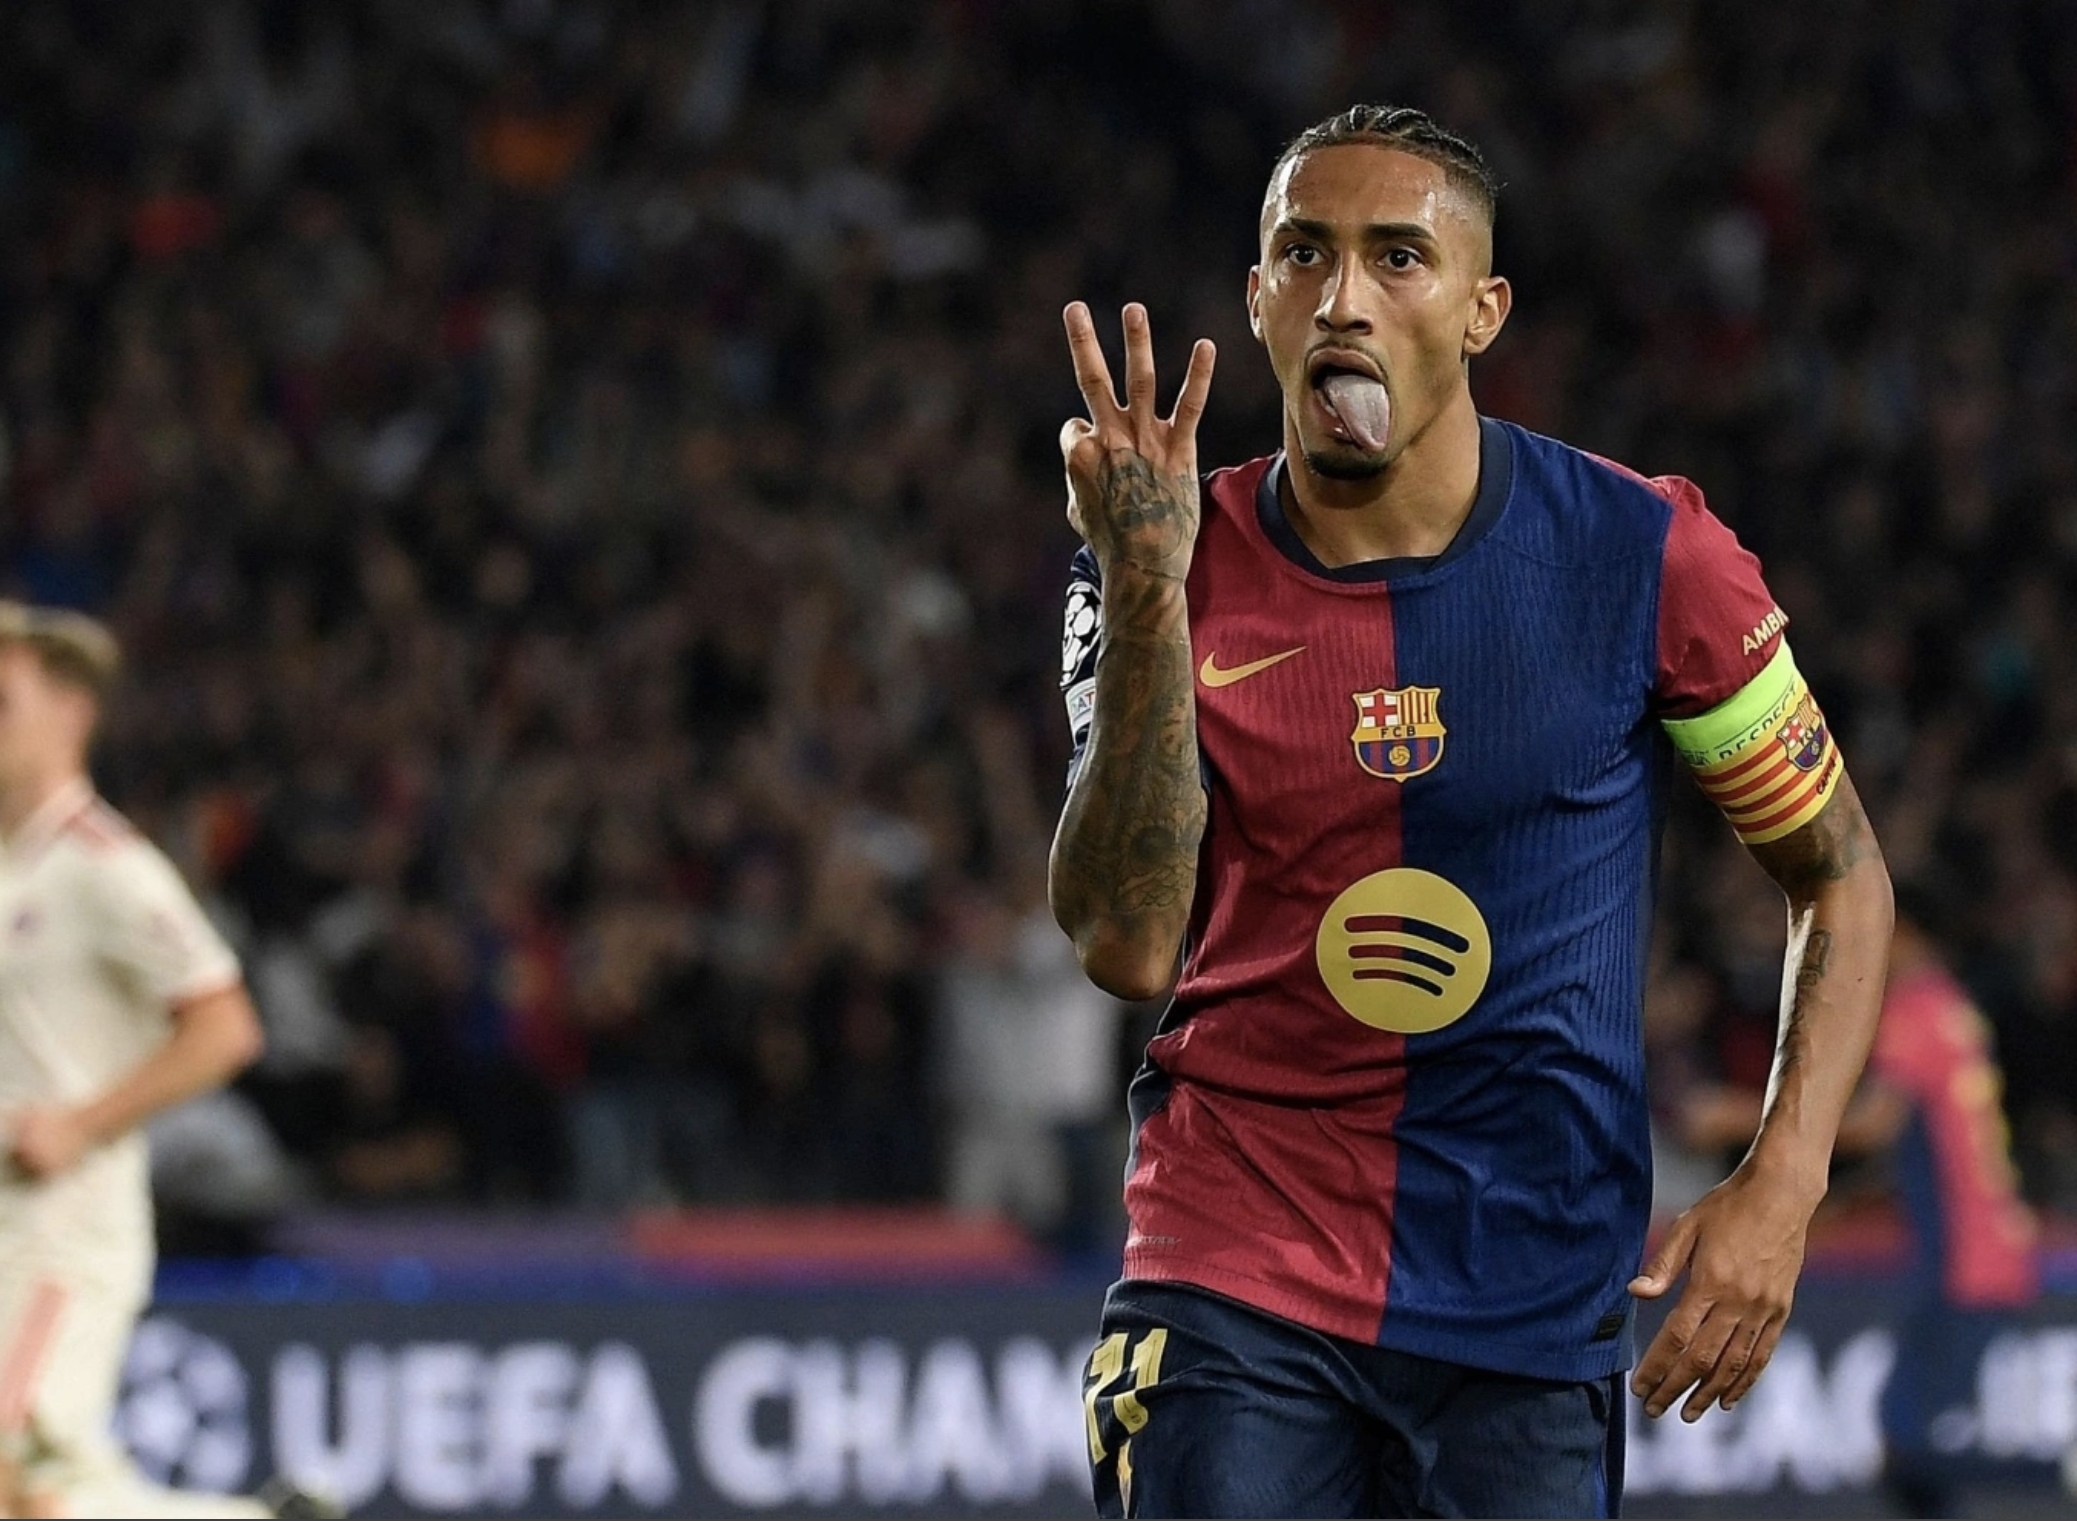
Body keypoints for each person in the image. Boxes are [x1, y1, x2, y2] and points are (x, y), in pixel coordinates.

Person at [1050, 105, 1894, 1519]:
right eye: (1303, 254)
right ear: (1257, 298)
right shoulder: (1160, 562)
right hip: (1236, 1264)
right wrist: (1141, 588)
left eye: (1398, 257)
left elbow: (1840, 874)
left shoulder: (1645, 556)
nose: (1343, 297)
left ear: (1481, 309)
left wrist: (1784, 1180)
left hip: (1530, 1296)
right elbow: (1126, 947)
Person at [0, 603, 329, 1519]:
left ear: (71, 713)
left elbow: (225, 1026)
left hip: (59, 1227)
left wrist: (80, 1123)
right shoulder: (12, 867)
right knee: (46, 1495)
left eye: (2, 703)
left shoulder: (107, 866)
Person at [1682, 882, 2039, 1518]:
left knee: (1906, 1440)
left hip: (1963, 1262)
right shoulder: (1951, 1006)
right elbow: (1924, 1149)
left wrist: (1735, 1115)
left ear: (1902, 931)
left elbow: (1875, 1126)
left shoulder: (1912, 1007)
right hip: (1989, 1245)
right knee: (1915, 1438)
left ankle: (2056, 1472)